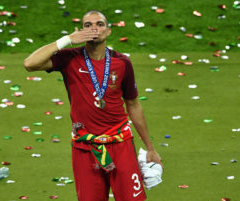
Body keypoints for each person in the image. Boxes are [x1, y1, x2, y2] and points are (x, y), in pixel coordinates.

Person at [24, 10, 162, 201]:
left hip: (120, 144)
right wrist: (68, 39)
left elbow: (133, 105)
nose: (94, 28)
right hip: (85, 148)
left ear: (108, 31)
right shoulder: (69, 58)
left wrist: (150, 148)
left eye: (99, 24)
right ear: (81, 30)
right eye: (88, 25)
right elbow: (30, 64)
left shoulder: (121, 62)